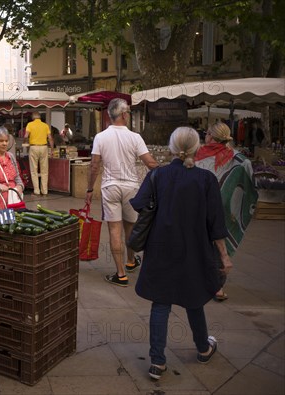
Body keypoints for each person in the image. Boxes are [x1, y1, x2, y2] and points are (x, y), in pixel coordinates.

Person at [130, 126, 232, 380]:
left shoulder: (158, 175)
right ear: (197, 148)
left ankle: (157, 362)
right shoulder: (206, 180)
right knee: (194, 298)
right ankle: (203, 348)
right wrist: (224, 256)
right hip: (194, 249)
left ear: (172, 148)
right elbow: (215, 223)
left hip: (160, 247)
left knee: (160, 302)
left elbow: (140, 205)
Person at [86, 98, 158, 286]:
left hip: (110, 187)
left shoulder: (101, 137)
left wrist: (89, 188)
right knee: (131, 227)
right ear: (124, 114)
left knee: (114, 230)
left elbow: (94, 166)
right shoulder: (135, 137)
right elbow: (150, 163)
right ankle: (131, 260)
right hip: (131, 187)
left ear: (110, 115)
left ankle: (121, 273)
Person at [195, 122, 258, 301]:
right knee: (219, 245)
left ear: (211, 137)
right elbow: (250, 182)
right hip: (223, 208)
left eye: (207, 133)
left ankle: (200, 281)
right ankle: (218, 288)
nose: (205, 137)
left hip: (201, 206)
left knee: (201, 243)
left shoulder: (198, 154)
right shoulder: (239, 158)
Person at [24, 111, 53, 196]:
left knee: (34, 170)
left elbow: (26, 136)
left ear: (33, 117)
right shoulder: (45, 125)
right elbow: (50, 138)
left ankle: (36, 191)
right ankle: (45, 191)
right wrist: (51, 149)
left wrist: (25, 143)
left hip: (34, 147)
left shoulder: (30, 124)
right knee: (44, 171)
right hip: (44, 147)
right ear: (40, 117)